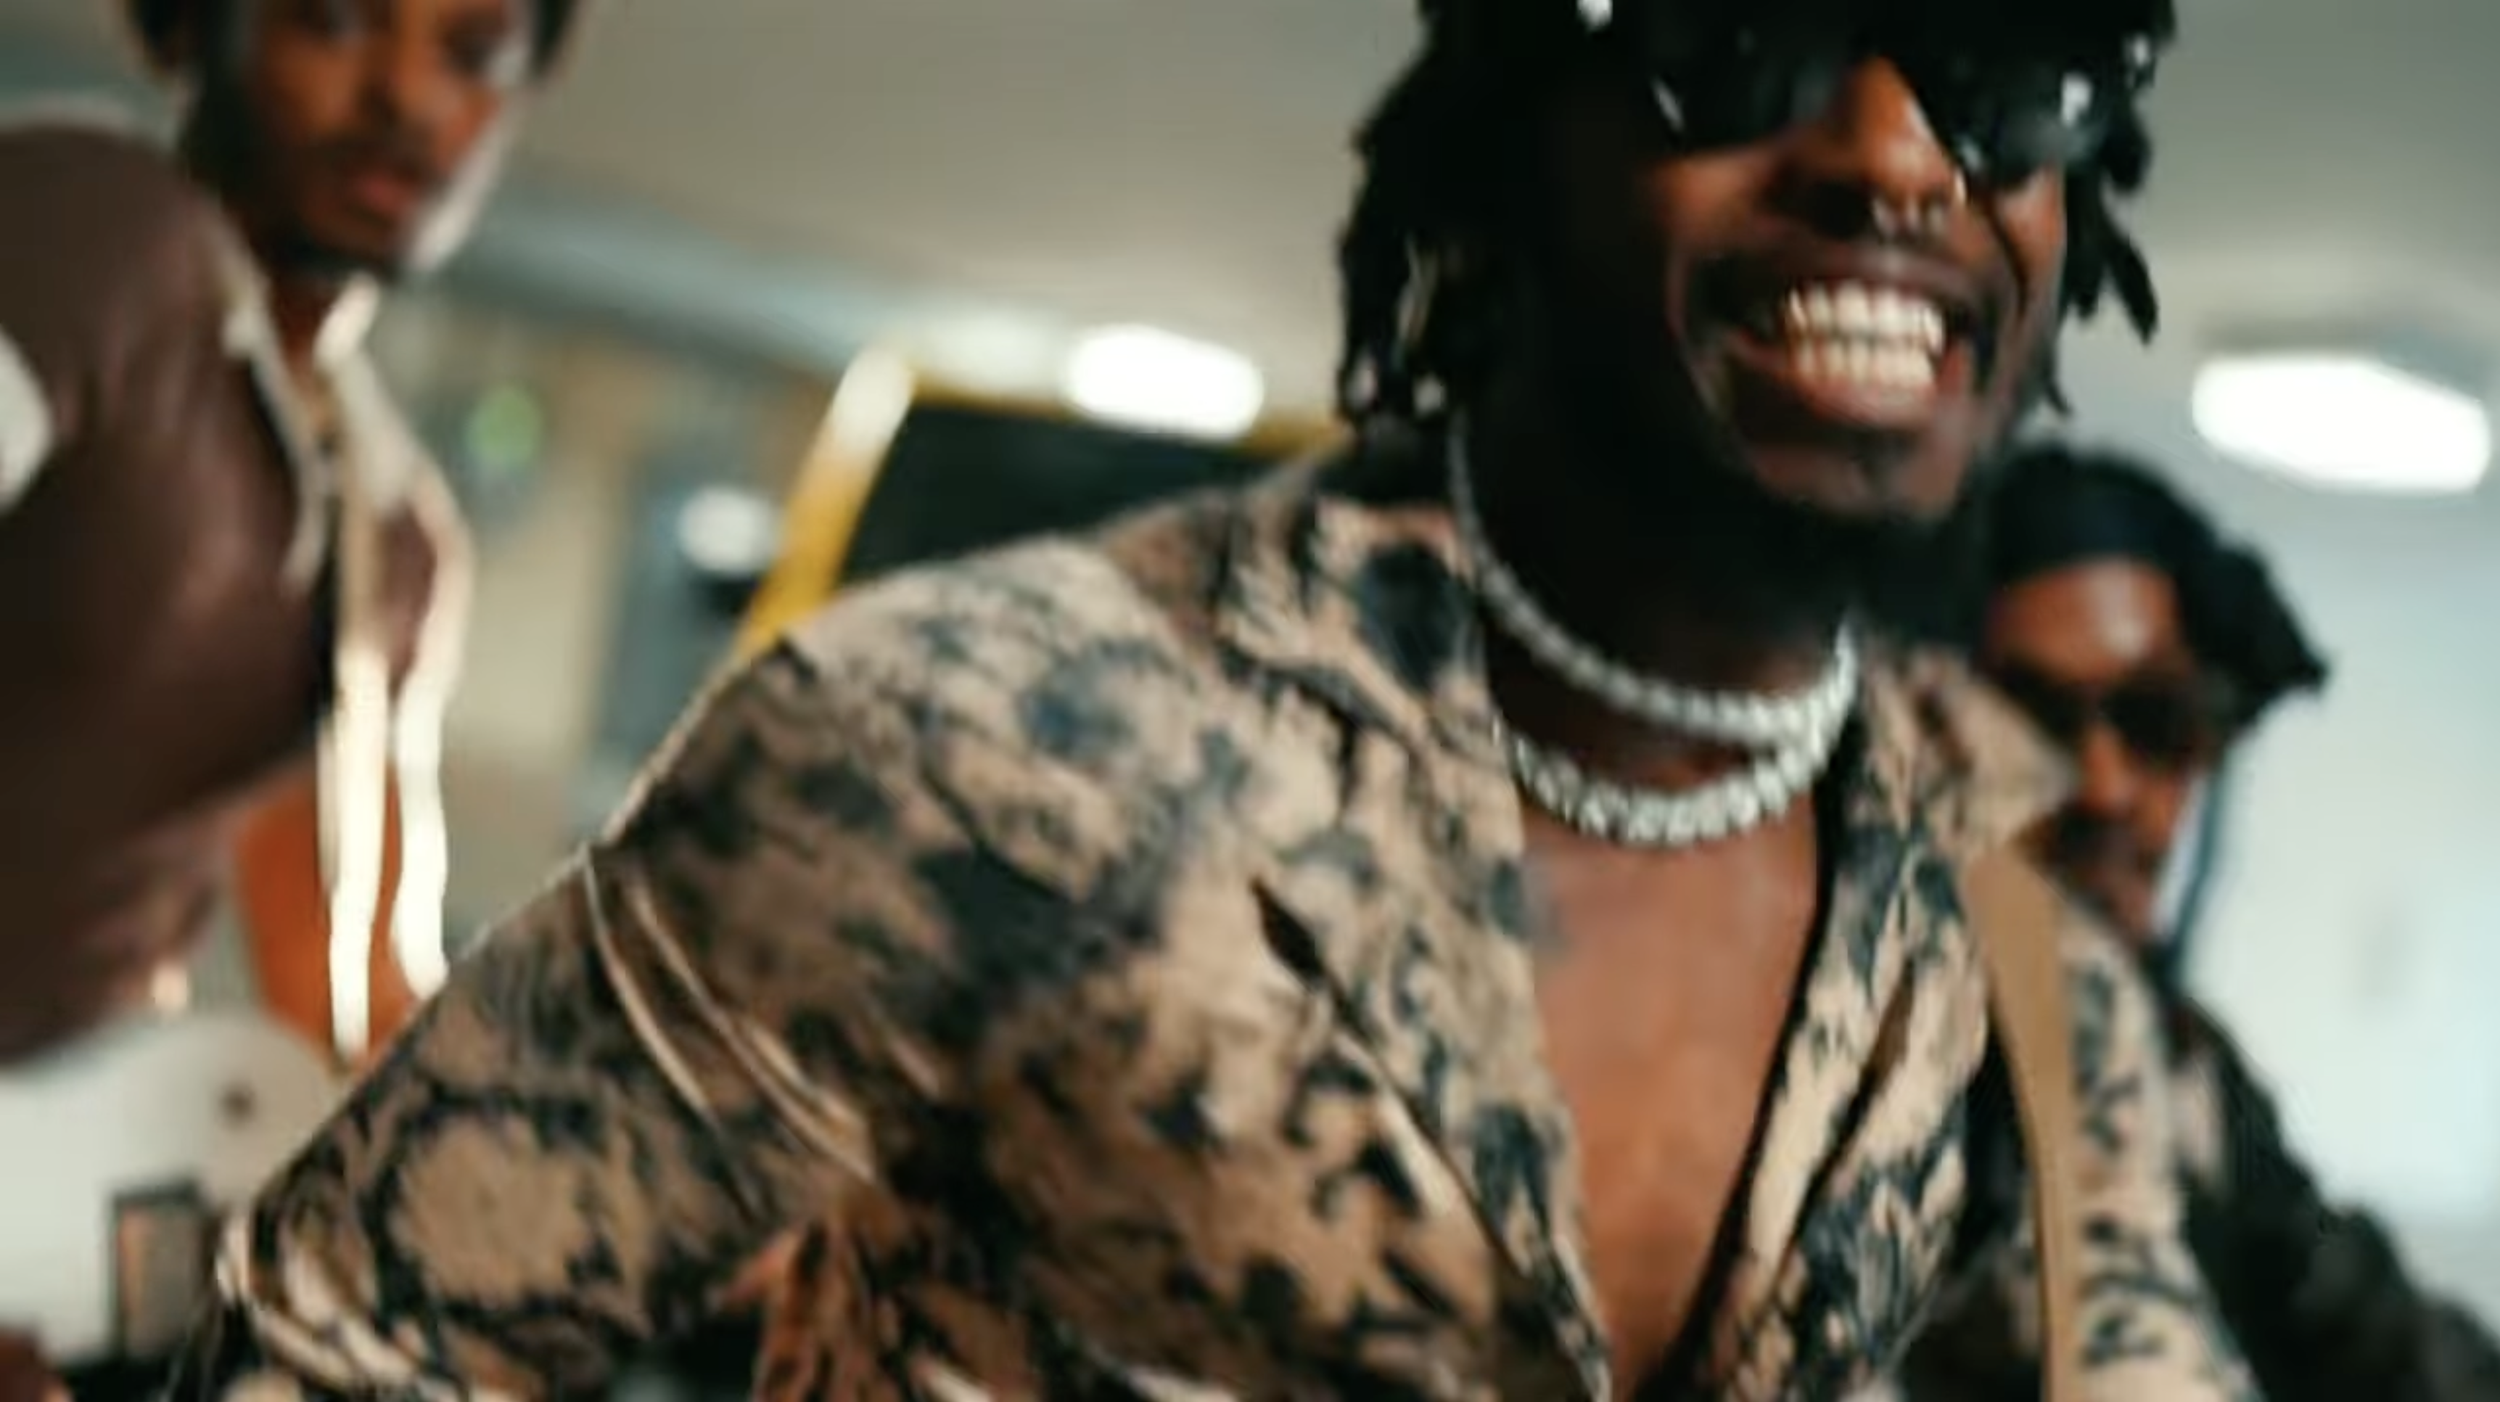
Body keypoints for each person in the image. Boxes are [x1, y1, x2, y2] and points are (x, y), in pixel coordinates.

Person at [165, 0, 2254, 1396]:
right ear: (1514, 122)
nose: (1892, 152)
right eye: (1739, 29)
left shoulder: (2000, 938)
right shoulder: (992, 747)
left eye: (2009, 51)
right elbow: (336, 1347)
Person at [0, 0, 576, 1395]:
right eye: (336, 19)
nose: (407, 100)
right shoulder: (86, 233)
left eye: (473, 53)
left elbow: (357, 995)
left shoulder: (394, 526)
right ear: (194, 25)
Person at [1936, 443, 2500, 1401]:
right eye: (2035, 720)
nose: (2106, 790)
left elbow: (2363, 1326)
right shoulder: (1898, 1074)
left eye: (2154, 723)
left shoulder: (2192, 1072)